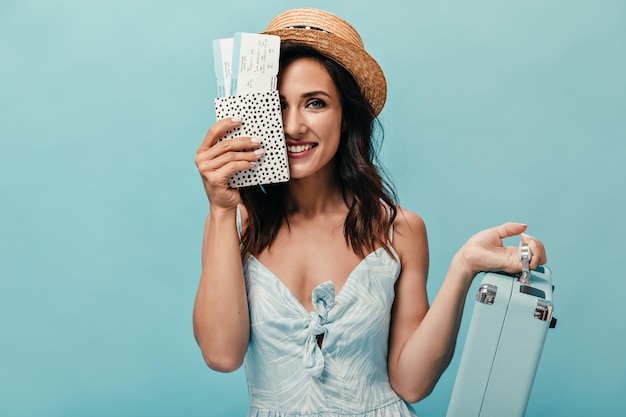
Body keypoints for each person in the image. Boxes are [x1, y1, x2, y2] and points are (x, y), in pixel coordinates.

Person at [193, 7, 547, 417]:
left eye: (315, 103)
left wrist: (463, 267)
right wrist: (220, 211)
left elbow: (412, 384)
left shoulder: (399, 229)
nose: (293, 126)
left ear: (346, 118)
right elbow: (221, 355)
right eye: (279, 104)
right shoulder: (233, 223)